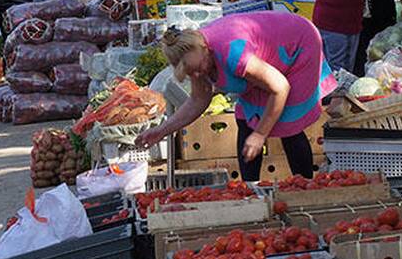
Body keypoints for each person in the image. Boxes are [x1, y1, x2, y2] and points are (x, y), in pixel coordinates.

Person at [135, 14, 335, 182]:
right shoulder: (197, 60)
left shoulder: (234, 53)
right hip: (265, 58)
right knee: (246, 121)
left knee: (288, 123)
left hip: (298, 44)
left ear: (206, 49)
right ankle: (250, 190)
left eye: (198, 69)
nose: (197, 76)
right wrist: (162, 131)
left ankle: (305, 186)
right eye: (190, 73)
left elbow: (280, 87)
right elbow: (198, 100)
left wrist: (260, 135)